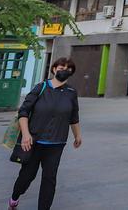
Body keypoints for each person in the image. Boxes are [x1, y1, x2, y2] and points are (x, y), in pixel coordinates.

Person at [9, 58, 82, 209]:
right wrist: (26, 134)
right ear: (54, 69)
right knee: (27, 176)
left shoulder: (71, 92)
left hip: (56, 143)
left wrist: (77, 136)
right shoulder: (41, 87)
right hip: (34, 141)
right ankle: (14, 199)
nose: (64, 70)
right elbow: (23, 112)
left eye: (68, 69)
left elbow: (73, 117)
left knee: (49, 178)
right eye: (62, 67)